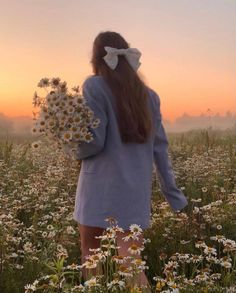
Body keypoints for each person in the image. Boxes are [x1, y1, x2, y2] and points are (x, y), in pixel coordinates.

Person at [72, 31, 188, 290]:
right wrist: (174, 196)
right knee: (131, 260)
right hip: (134, 191)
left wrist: (71, 146)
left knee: (91, 253)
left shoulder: (94, 86)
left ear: (95, 58)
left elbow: (94, 142)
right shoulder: (150, 96)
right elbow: (160, 149)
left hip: (97, 188)